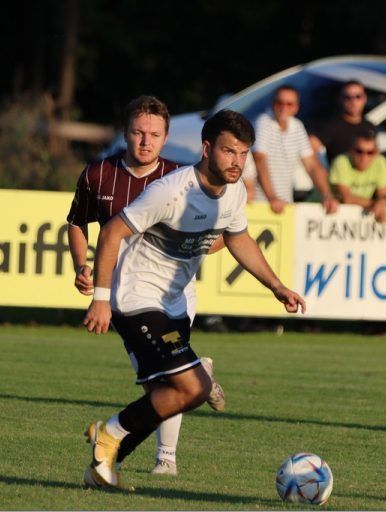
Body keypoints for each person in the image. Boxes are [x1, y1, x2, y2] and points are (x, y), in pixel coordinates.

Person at [81, 110, 306, 491]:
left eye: (244, 153)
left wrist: (275, 285)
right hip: (136, 298)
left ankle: (102, 468)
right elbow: (111, 233)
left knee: (165, 397)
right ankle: (109, 431)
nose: (237, 161)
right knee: (196, 387)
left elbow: (238, 239)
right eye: (229, 151)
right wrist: (101, 298)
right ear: (207, 148)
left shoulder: (233, 192)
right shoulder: (172, 190)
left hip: (173, 306)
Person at [67, 95, 225, 477]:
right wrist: (81, 265)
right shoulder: (98, 175)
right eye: (138, 132)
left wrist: (186, 251)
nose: (145, 141)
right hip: (130, 295)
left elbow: (220, 234)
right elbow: (76, 222)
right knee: (165, 384)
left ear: (166, 137)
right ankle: (196, 376)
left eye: (154, 134)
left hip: (173, 292)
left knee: (167, 381)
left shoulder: (181, 180)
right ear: (125, 133)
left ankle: (163, 459)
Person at [252, 85, 338, 213]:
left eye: (289, 104)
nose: (283, 108)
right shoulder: (262, 123)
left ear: (296, 108)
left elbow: (312, 165)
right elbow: (260, 161)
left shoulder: (297, 126)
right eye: (279, 102)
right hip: (258, 203)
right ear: (273, 104)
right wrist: (272, 197)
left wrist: (327, 195)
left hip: (284, 203)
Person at [329, 128, 386, 223]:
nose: (364, 157)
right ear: (351, 150)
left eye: (370, 152)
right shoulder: (341, 161)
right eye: (359, 151)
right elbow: (347, 198)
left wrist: (382, 203)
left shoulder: (380, 162)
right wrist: (376, 204)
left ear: (376, 153)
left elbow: (385, 194)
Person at [310, 80, 377, 166]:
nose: (353, 101)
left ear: (364, 98)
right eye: (348, 97)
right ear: (340, 99)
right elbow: (308, 150)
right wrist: (322, 173)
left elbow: (374, 156)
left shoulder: (370, 127)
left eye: (358, 96)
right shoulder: (331, 126)